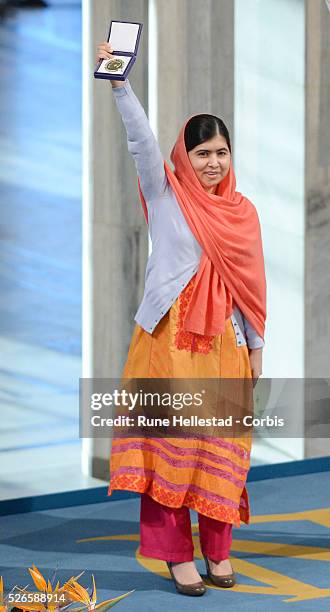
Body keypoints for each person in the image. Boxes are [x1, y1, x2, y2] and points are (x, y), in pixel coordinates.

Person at [96, 42, 266, 597]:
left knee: (223, 453)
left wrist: (257, 346)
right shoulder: (165, 194)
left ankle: (219, 550)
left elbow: (250, 287)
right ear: (183, 157)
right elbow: (141, 142)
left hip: (226, 348)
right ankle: (175, 556)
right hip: (169, 344)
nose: (213, 163)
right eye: (202, 153)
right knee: (170, 453)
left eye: (221, 152)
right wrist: (121, 84)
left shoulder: (242, 213)